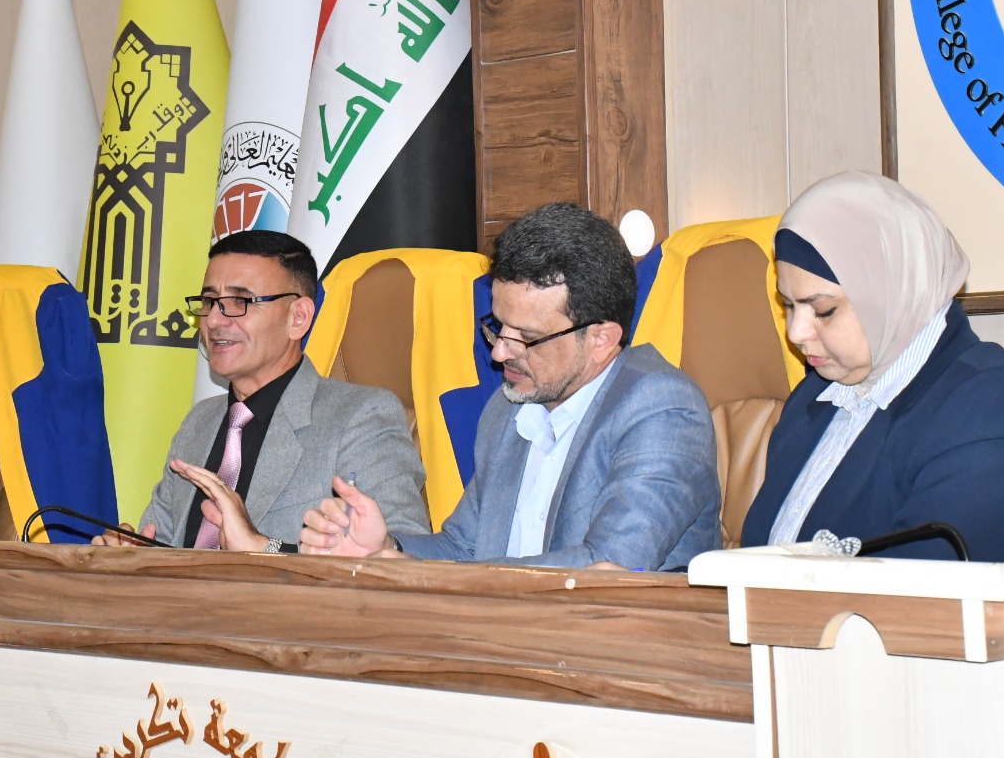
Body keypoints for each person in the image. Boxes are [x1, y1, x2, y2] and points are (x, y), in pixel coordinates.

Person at [301, 202, 721, 569]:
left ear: (601, 340)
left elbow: (608, 566)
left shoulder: (661, 407)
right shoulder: (508, 409)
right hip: (506, 626)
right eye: (498, 327)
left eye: (527, 337)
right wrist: (386, 548)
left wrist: (458, 583)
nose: (500, 352)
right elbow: (464, 548)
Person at [740, 171, 1004, 560]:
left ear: (894, 292)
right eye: (788, 305)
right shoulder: (813, 399)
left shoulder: (1000, 405)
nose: (796, 332)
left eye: (824, 310)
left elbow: (929, 580)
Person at [95, 230, 429, 551]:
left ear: (298, 318)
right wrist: (132, 555)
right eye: (209, 301)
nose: (214, 320)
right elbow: (163, 543)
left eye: (240, 301)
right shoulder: (200, 422)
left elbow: (401, 554)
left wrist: (263, 547)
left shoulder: (360, 417)